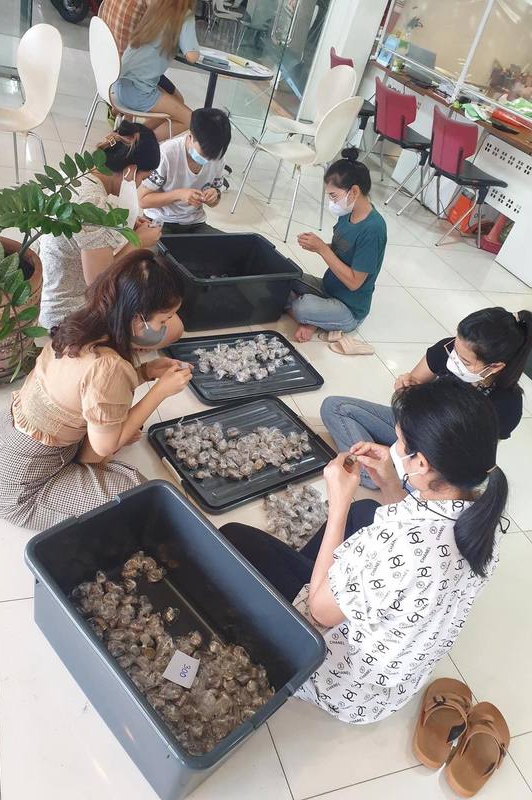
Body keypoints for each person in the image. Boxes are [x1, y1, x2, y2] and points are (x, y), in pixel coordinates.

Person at [221, 378, 508, 724]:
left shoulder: (395, 545)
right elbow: (408, 525)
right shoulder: (484, 516)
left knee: (235, 539)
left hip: (339, 681)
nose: (395, 448)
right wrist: (388, 478)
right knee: (367, 513)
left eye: (401, 443)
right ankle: (329, 571)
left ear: (421, 463)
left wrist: (339, 504)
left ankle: (314, 578)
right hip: (392, 683)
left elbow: (321, 612)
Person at [0, 251, 193, 531]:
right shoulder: (107, 367)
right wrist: (160, 392)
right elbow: (103, 447)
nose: (166, 327)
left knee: (117, 434)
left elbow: (89, 395)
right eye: (163, 320)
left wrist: (145, 373)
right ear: (136, 318)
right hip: (21, 494)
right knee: (139, 494)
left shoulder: (82, 325)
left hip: (8, 450)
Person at [321, 306, 532, 487]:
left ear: (495, 366)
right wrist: (405, 387)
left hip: (438, 455)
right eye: (455, 348)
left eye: (466, 362)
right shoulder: (447, 350)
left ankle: (380, 473)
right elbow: (410, 392)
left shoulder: (506, 405)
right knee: (334, 407)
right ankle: (386, 465)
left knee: (425, 482)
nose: (454, 359)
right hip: (412, 426)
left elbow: (470, 459)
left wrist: (416, 456)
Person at [38, 127, 175, 338]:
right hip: (68, 314)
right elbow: (99, 282)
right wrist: (138, 240)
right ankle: (106, 345)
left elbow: (88, 236)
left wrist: (125, 228)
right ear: (130, 170)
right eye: (142, 178)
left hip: (50, 291)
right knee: (172, 328)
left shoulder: (78, 175)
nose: (139, 184)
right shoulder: (93, 202)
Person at [290, 148, 387, 343]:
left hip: (349, 308)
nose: (332, 202)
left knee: (301, 307)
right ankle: (317, 318)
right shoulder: (347, 214)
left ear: (354, 192)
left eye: (334, 196)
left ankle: (315, 319)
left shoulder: (373, 229)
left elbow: (354, 282)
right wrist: (318, 245)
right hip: (329, 288)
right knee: (287, 276)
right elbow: (341, 249)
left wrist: (322, 249)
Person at [113, 0, 200, 142]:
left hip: (119, 84)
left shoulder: (155, 6)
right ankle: (137, 144)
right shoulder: (184, 16)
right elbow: (192, 56)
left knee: (177, 99)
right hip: (139, 91)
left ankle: (134, 134)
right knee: (190, 120)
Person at [139, 107, 231, 235]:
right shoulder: (167, 154)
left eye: (213, 156)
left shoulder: (218, 158)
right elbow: (142, 200)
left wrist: (214, 195)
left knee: (228, 248)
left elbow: (215, 201)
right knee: (163, 253)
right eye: (204, 154)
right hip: (160, 221)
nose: (208, 159)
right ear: (190, 137)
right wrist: (179, 195)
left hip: (195, 223)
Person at [99, 0, 186, 106]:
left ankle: (120, 114)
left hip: (106, 67)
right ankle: (121, 113)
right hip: (129, 74)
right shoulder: (148, 3)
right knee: (177, 99)